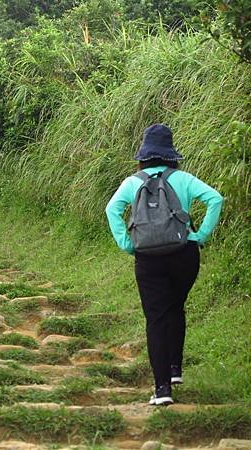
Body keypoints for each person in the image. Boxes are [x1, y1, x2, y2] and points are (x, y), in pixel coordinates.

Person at [105, 123, 223, 406]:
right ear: (171, 155)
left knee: (156, 318)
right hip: (184, 254)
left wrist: (128, 244)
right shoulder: (183, 179)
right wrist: (199, 236)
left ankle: (162, 390)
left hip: (148, 258)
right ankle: (175, 369)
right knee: (175, 307)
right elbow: (215, 198)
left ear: (143, 155)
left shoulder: (133, 182)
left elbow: (112, 209)